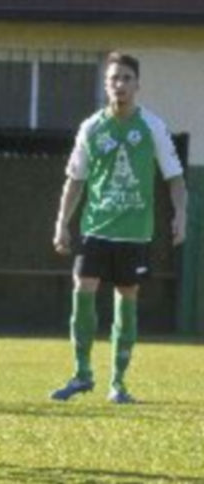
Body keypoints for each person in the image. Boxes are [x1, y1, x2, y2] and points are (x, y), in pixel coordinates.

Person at [50, 52, 187, 404]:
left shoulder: (152, 126)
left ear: (137, 84)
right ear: (105, 84)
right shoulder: (91, 127)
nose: (120, 84)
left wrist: (180, 214)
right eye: (114, 78)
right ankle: (82, 374)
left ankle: (118, 383)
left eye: (127, 78)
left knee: (126, 299)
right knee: (82, 289)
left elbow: (174, 177)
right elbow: (75, 180)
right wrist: (62, 223)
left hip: (134, 232)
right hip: (96, 229)